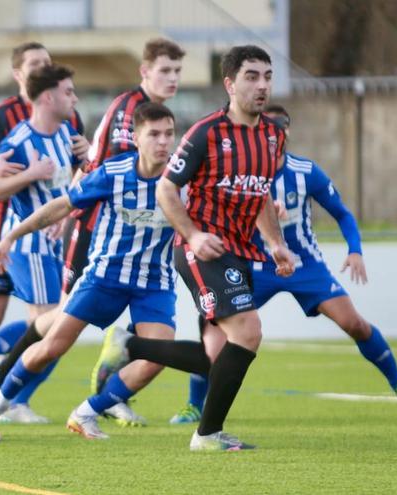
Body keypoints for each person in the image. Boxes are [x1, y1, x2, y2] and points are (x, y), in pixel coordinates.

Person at [167, 104, 397, 424]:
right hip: (257, 264)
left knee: (354, 323)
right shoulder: (235, 169)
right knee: (212, 328)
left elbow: (342, 213)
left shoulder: (305, 171)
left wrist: (355, 249)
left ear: (286, 134)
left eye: (282, 128)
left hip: (305, 265)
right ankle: (194, 404)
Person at [0, 39, 187, 427]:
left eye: (168, 134)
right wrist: (11, 236)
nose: (162, 142)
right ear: (135, 135)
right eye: (154, 135)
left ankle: (90, 408)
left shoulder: (181, 178)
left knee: (159, 354)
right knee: (53, 341)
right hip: (103, 269)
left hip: (153, 281)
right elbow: (64, 200)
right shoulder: (115, 161)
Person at [99, 45, 294, 451]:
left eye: (267, 76)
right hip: (200, 249)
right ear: (230, 83)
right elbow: (167, 189)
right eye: (251, 76)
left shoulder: (273, 137)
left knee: (217, 354)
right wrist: (193, 235)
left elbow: (258, 196)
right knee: (248, 330)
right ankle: (206, 435)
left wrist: (276, 243)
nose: (262, 85)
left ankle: (129, 345)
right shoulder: (206, 132)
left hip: (238, 249)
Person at [0, 42, 87, 424]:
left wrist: (68, 210)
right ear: (48, 96)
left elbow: (76, 178)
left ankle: (6, 390)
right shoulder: (18, 140)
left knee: (53, 330)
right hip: (28, 245)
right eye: (68, 92)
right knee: (52, 327)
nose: (75, 99)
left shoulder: (66, 133)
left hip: (53, 245)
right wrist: (31, 174)